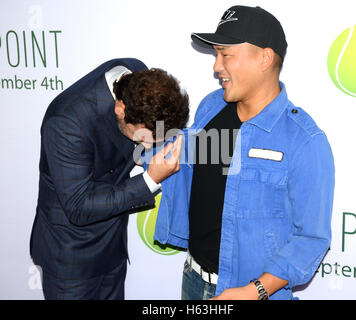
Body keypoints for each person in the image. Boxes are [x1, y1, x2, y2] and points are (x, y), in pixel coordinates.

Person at [154, 5, 335, 300]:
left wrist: (255, 291)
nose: (216, 66)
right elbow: (181, 165)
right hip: (192, 279)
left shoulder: (305, 141)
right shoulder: (210, 106)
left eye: (226, 55)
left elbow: (311, 238)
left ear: (264, 58)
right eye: (216, 55)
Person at [29, 58, 189, 300]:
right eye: (144, 138)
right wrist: (149, 179)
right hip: (71, 258)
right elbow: (79, 206)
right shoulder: (66, 123)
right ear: (120, 109)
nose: (148, 146)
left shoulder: (135, 74)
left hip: (113, 247)